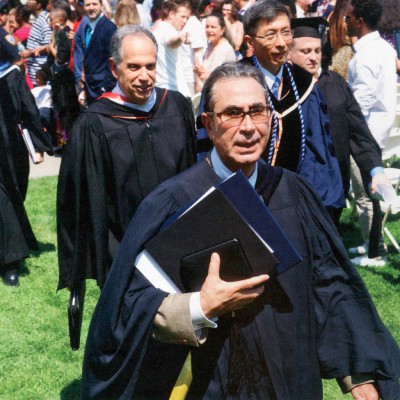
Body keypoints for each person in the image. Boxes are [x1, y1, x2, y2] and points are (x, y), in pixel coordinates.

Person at [82, 62, 400, 400]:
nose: (248, 127)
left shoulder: (294, 194)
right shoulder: (173, 202)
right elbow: (127, 307)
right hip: (209, 383)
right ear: (208, 124)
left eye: (257, 111)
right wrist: (199, 306)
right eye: (232, 114)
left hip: (292, 377)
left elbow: (330, 283)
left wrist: (358, 374)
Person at [57, 25, 196, 294]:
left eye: (150, 66)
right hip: (123, 252)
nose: (145, 76)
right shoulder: (95, 123)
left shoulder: (177, 107)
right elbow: (85, 202)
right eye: (134, 67)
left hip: (180, 242)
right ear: (114, 67)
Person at [239, 0, 344, 219]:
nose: (281, 43)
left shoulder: (304, 84)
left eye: (286, 33)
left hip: (294, 202)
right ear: (250, 41)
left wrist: (307, 200)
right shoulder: (232, 83)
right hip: (243, 199)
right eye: (270, 35)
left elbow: (316, 153)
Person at [289, 17, 391, 228]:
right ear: (289, 53)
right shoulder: (284, 89)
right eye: (305, 51)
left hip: (335, 181)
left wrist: (375, 170)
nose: (313, 57)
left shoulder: (335, 84)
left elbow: (358, 131)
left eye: (317, 51)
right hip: (298, 183)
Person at [0, 25, 53, 286]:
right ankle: (11, 259)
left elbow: (28, 110)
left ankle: (15, 253)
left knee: (10, 194)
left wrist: (41, 143)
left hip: (8, 147)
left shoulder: (9, 76)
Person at [346, 0, 397, 266]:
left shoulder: (366, 55)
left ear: (359, 21)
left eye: (349, 17)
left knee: (366, 195)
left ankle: (375, 251)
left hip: (365, 134)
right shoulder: (385, 48)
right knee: (366, 194)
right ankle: (370, 243)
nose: (345, 21)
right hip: (378, 130)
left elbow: (359, 102)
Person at [73, 0, 117, 106]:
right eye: (88, 5)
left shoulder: (108, 28)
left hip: (103, 89)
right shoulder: (86, 27)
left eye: (94, 4)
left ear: (101, 6)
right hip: (91, 88)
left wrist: (105, 88)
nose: (91, 8)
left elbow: (113, 59)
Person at [152, 0, 192, 97]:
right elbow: (171, 42)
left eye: (187, 18)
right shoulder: (167, 29)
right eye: (182, 17)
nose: (185, 21)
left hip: (162, 90)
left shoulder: (159, 28)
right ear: (171, 14)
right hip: (173, 92)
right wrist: (180, 38)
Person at [194, 12, 236, 90]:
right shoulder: (211, 45)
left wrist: (200, 73)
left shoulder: (224, 49)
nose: (209, 30)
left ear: (222, 29)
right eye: (207, 26)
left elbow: (210, 77)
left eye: (213, 27)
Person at [20, 0, 52, 86]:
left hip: (43, 77)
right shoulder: (38, 19)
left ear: (38, 5)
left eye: (31, 0)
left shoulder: (45, 20)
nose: (27, 2)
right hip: (36, 76)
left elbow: (49, 46)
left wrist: (30, 53)